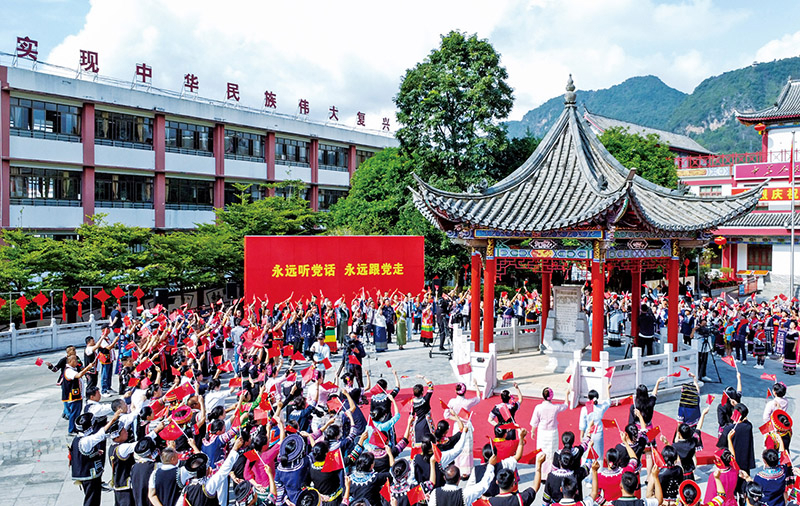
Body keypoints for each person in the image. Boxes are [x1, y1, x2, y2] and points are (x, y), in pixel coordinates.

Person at [71, 409, 122, 506]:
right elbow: (100, 435)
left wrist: (95, 452)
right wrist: (113, 420)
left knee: (92, 497)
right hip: (88, 475)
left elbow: (83, 453)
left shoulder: (78, 439)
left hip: (83, 473)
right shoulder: (86, 440)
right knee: (92, 499)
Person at [530, 385, 571, 478]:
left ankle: (540, 473)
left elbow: (535, 421)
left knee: (541, 453)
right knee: (552, 453)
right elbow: (565, 405)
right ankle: (550, 473)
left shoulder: (538, 407)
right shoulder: (555, 407)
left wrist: (532, 431)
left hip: (542, 433)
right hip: (552, 433)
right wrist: (566, 394)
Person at [64, 353, 97, 435]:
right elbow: (78, 375)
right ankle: (71, 429)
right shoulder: (69, 371)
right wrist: (88, 368)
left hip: (77, 395)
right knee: (74, 413)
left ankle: (75, 428)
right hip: (73, 396)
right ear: (71, 361)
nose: (77, 361)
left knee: (77, 412)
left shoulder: (73, 368)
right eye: (75, 360)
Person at [578, 383, 612, 461]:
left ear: (588, 398)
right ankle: (598, 468)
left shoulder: (584, 409)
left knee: (586, 454)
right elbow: (608, 402)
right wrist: (607, 389)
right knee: (598, 455)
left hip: (588, 434)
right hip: (598, 434)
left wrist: (581, 437)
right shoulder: (601, 408)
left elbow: (582, 425)